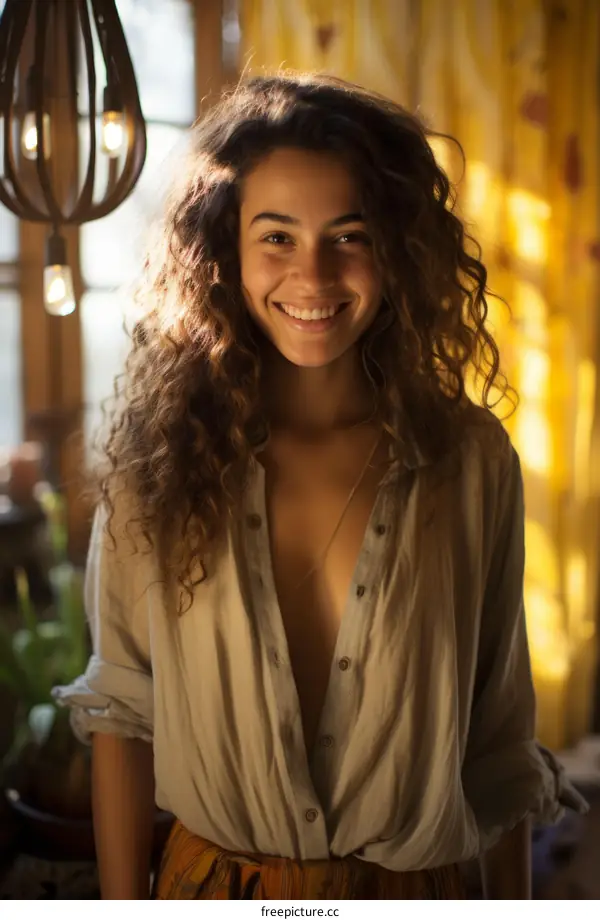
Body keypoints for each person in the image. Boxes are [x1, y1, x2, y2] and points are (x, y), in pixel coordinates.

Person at [53, 73, 587, 900]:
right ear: (223, 249)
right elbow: (122, 715)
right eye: (277, 236)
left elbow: (499, 744)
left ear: (397, 249)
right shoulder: (154, 464)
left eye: (350, 235)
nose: (314, 274)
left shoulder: (473, 462)